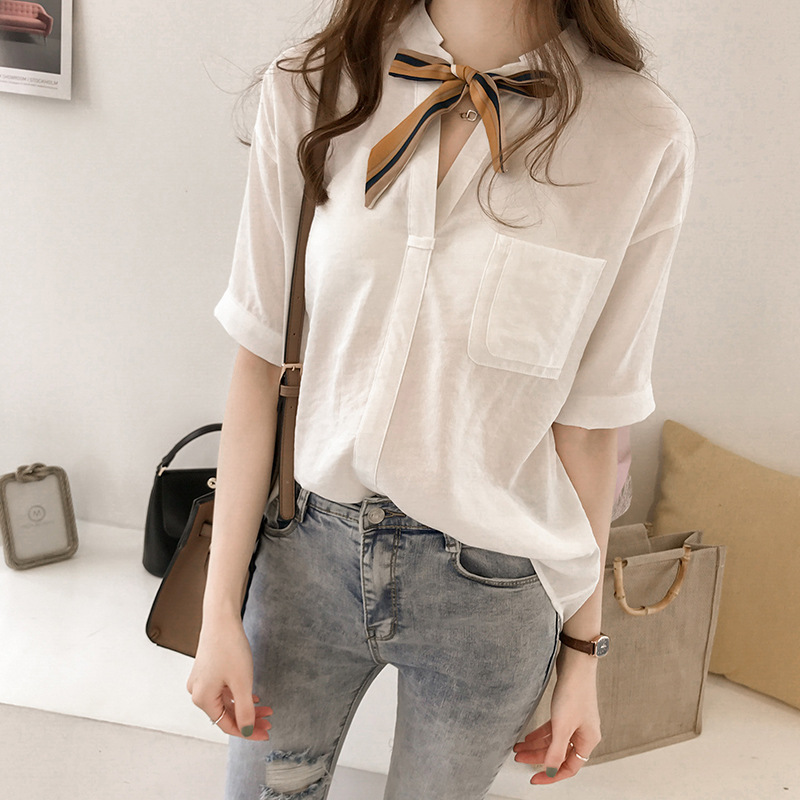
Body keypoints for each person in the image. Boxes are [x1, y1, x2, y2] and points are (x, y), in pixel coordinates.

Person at [186, 0, 696, 797]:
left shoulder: (641, 135)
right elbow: (260, 360)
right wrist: (219, 610)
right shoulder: (319, 84)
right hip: (304, 559)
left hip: (493, 592)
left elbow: (592, 427)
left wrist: (581, 658)